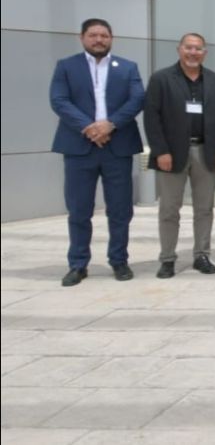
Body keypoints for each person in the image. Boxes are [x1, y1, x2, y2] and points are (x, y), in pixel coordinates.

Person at [51, 19, 145, 287]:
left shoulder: (127, 67)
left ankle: (119, 260)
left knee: (120, 209)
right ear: (82, 38)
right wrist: (89, 127)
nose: (99, 40)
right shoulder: (66, 66)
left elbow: (137, 99)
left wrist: (109, 124)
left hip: (117, 147)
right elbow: (59, 100)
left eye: (104, 35)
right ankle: (78, 264)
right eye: (93, 35)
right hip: (80, 148)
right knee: (79, 210)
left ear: (111, 38)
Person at [144, 32, 215, 278]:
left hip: (207, 152)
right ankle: (167, 259)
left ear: (204, 53)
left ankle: (202, 255)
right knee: (169, 209)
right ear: (179, 49)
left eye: (198, 49)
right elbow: (152, 118)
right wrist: (161, 150)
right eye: (189, 48)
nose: (193, 53)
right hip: (172, 154)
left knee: (204, 208)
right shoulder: (161, 79)